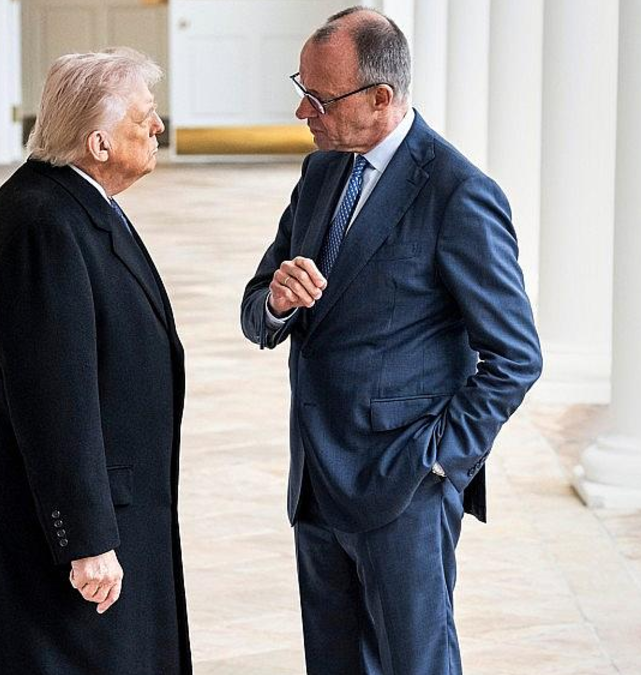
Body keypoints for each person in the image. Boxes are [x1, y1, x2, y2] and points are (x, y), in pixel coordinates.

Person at [239, 8, 542, 674]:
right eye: (302, 87)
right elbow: (257, 308)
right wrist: (278, 301)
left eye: (319, 97)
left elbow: (516, 356)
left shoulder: (458, 194)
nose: (301, 110)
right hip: (316, 484)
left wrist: (436, 460)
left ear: (381, 98)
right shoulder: (321, 172)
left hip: (403, 490)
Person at [0, 48, 191, 674]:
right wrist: (86, 541)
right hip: (70, 548)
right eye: (144, 117)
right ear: (99, 142)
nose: (157, 127)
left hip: (114, 511)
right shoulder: (43, 229)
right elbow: (56, 398)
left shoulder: (72, 206)